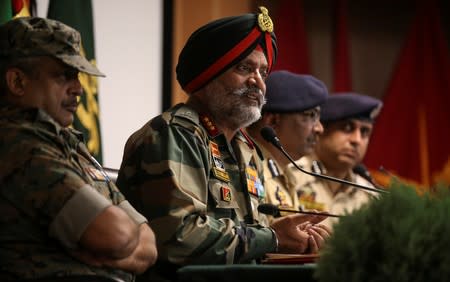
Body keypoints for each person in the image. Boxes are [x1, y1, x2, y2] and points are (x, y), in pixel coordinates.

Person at [117, 7, 329, 281]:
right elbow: (180, 238)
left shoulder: (246, 147)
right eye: (244, 68)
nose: (258, 82)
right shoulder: (176, 135)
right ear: (210, 74)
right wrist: (273, 238)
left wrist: (295, 240)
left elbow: (248, 238)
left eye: (263, 72)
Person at [0, 17, 157, 281]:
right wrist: (116, 251)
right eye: (64, 75)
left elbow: (149, 246)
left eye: (78, 76)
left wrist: (100, 251)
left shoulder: (65, 142)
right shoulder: (18, 142)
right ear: (17, 82)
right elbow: (116, 235)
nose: (79, 89)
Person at [294, 93, 383, 229]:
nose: (356, 140)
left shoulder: (370, 195)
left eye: (365, 132)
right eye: (347, 128)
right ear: (321, 129)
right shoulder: (291, 174)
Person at [246, 70, 329, 215]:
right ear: (273, 122)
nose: (319, 128)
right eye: (310, 116)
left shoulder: (285, 172)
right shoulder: (247, 166)